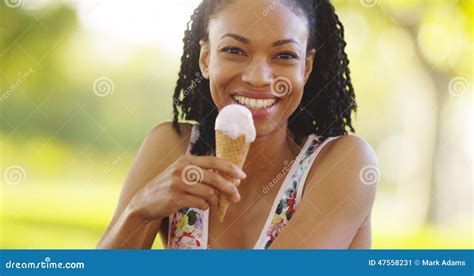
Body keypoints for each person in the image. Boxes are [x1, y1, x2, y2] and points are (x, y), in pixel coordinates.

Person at [97, 0, 379, 249]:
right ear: (206, 59)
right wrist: (139, 210)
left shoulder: (345, 163)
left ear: (305, 67)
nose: (259, 78)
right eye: (234, 50)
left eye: (284, 55)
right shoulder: (172, 147)